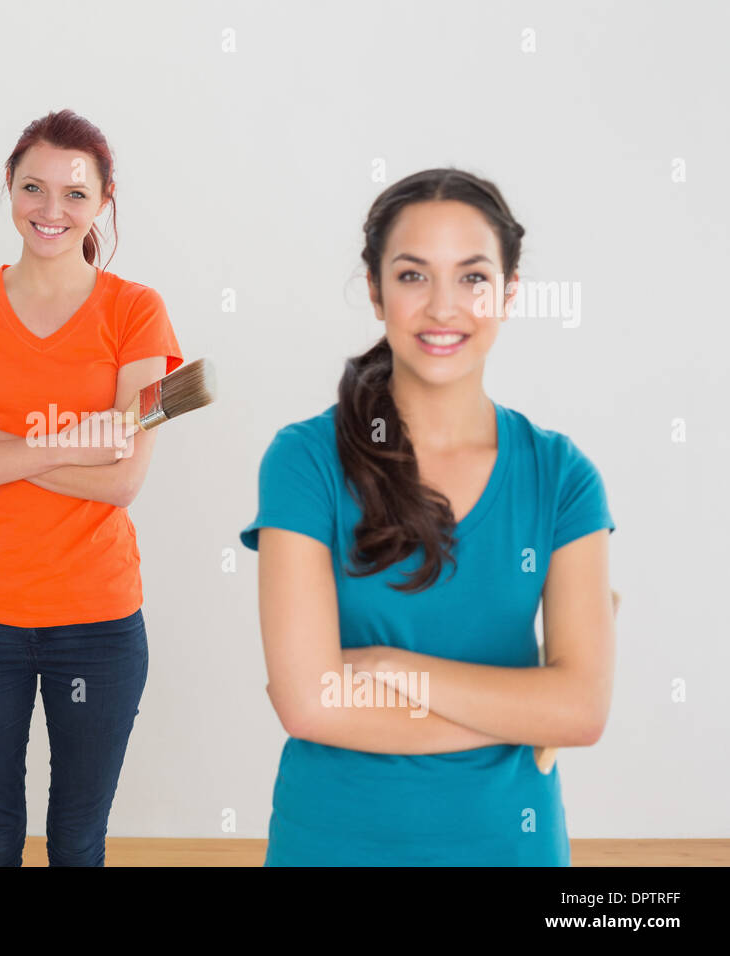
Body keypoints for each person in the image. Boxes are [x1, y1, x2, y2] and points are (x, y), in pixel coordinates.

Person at [240, 168, 616, 865]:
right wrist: (525, 711)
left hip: (510, 843)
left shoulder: (562, 477)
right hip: (333, 841)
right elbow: (310, 706)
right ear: (377, 292)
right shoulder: (303, 461)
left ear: (507, 294)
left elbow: (582, 711)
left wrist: (385, 666)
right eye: (413, 276)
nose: (444, 307)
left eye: (472, 277)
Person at [0, 108, 183, 866]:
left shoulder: (135, 311)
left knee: (76, 840)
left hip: (97, 618)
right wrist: (67, 445)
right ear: (9, 188)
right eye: (33, 188)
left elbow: (122, 478)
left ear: (104, 200)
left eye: (75, 194)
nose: (51, 211)